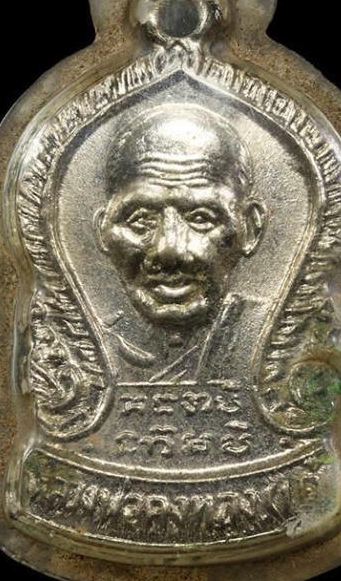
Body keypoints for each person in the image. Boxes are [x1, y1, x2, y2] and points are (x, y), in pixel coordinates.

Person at [95, 103, 267, 383]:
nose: (169, 250)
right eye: (141, 219)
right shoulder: (81, 346)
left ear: (250, 227)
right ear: (103, 229)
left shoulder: (282, 338)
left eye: (201, 218)